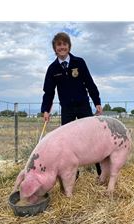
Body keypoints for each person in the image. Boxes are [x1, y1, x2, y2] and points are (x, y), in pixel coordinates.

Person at [41, 32, 103, 176]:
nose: (62, 47)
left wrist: (97, 102)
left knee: (91, 137)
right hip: (67, 109)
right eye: (59, 45)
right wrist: (46, 110)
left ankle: (101, 171)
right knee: (67, 142)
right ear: (54, 48)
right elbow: (48, 92)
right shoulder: (52, 69)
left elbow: (89, 83)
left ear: (69, 46)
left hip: (83, 106)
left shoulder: (79, 62)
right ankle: (73, 174)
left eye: (64, 44)